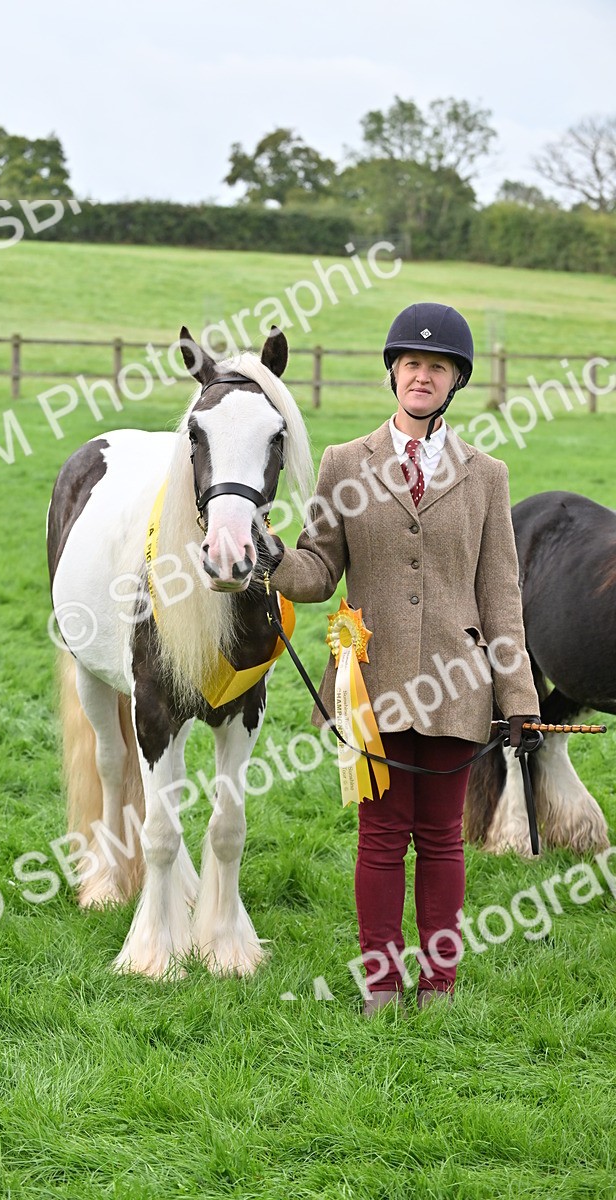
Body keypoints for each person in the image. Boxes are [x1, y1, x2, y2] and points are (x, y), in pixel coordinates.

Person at [266, 302, 541, 1016]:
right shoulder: (344, 464)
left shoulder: (488, 477)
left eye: (437, 366)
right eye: (412, 364)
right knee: (383, 837)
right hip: (373, 683)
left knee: (444, 839)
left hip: (458, 685)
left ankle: (441, 988)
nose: (422, 376)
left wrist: (520, 701)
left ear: (455, 381)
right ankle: (382, 986)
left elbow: (501, 594)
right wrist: (270, 557)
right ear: (394, 373)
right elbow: (318, 569)